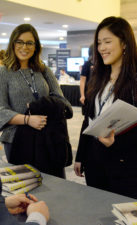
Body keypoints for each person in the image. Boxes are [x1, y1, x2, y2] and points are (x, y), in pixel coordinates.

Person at [0, 24, 70, 178]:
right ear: (13, 44)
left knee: (56, 184)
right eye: (19, 42)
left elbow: (62, 101)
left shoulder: (43, 70)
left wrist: (40, 106)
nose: (24, 47)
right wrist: (27, 119)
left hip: (49, 136)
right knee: (27, 188)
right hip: (18, 139)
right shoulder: (3, 72)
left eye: (29, 43)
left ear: (36, 46)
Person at [74, 17, 137, 199]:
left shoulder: (133, 82)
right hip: (94, 160)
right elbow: (88, 120)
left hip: (124, 164)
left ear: (124, 43)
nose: (101, 48)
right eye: (99, 43)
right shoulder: (98, 78)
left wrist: (116, 143)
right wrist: (80, 156)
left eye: (107, 42)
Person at [79, 44, 94, 114]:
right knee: (88, 116)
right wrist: (82, 95)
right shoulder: (87, 64)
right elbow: (82, 81)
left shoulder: (104, 64)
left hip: (99, 92)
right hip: (88, 93)